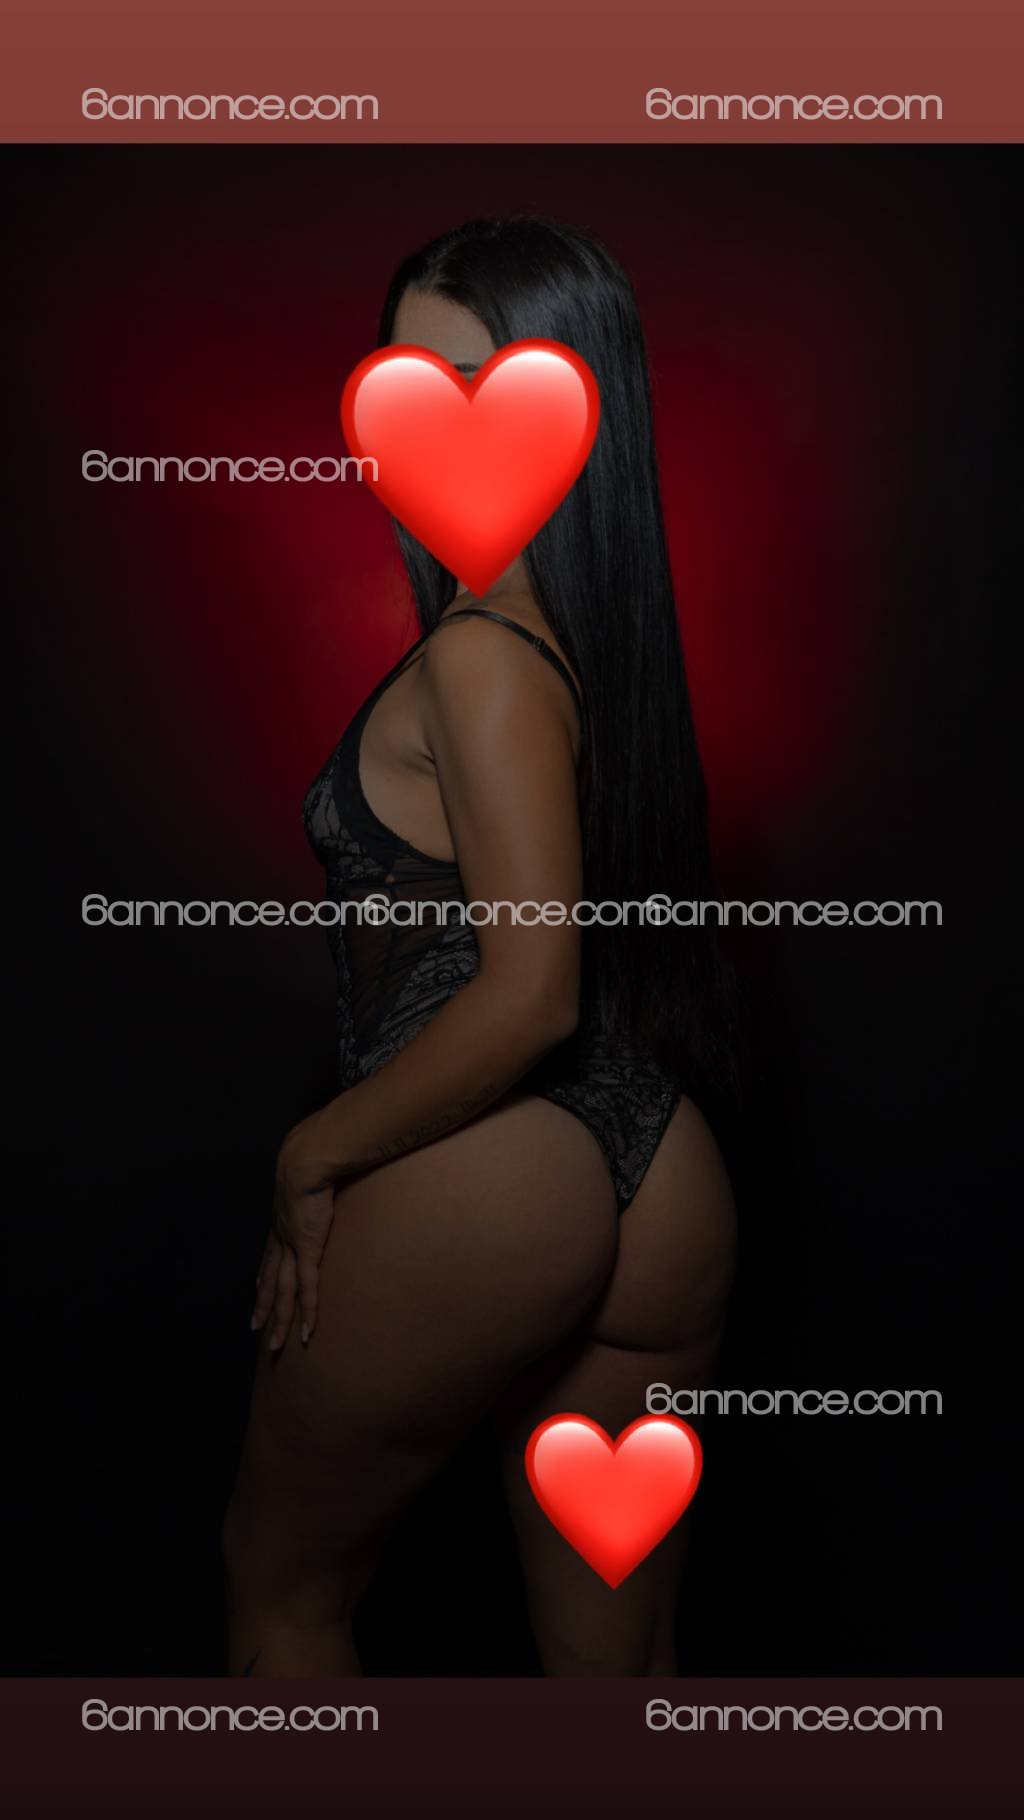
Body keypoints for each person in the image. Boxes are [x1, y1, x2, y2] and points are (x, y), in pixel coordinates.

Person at [223, 217, 739, 1677]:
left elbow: (531, 994)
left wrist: (312, 1154)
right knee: (613, 1682)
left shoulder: (479, 656)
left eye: (472, 379)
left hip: (492, 1159)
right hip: (661, 1169)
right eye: (401, 380)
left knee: (283, 1585)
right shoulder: (586, 647)